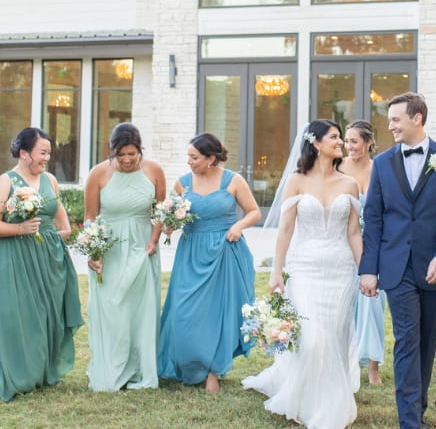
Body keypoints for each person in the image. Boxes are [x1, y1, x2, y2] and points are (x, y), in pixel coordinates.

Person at [359, 92, 436, 429]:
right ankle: (409, 421)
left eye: (396, 119)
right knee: (407, 339)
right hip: (397, 267)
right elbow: (374, 218)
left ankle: (416, 409)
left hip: (435, 266)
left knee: (427, 339)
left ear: (417, 118)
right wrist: (368, 269)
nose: (390, 125)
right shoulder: (382, 164)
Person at [243, 119, 363, 428]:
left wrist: (365, 272)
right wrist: (276, 273)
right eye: (335, 137)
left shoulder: (349, 183)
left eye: (341, 137)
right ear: (316, 143)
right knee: (311, 339)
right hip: (305, 268)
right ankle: (307, 399)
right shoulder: (296, 180)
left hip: (339, 271)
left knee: (334, 338)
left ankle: (328, 401)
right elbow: (285, 230)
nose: (341, 142)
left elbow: (353, 234)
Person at [0, 127, 82, 401]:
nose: (47, 157)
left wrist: (54, 237)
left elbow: (63, 223)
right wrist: (21, 229)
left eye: (49, 152)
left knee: (47, 314)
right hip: (12, 256)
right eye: (42, 152)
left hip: (47, 258)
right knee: (16, 316)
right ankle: (16, 375)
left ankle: (44, 372)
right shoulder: (6, 182)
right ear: (24, 154)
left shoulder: (50, 180)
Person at [159, 132, 261, 393]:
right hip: (192, 253)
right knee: (184, 311)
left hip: (225, 251)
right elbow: (171, 216)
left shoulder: (233, 180)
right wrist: (170, 225)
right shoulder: (182, 183)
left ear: (211, 158)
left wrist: (238, 226)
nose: (189, 162)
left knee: (218, 313)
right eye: (188, 157)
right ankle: (189, 364)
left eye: (194, 157)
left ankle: (213, 371)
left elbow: (254, 212)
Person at [84, 122, 166, 391]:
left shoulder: (154, 171)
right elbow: (90, 217)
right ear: (112, 152)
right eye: (122, 155)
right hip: (109, 249)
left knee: (141, 311)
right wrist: (94, 252)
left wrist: (154, 241)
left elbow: (160, 211)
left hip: (143, 246)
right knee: (112, 310)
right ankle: (112, 367)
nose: (128, 159)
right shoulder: (98, 174)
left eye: (133, 154)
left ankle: (142, 370)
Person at [339, 119, 387, 386]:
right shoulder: (338, 168)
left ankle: (373, 366)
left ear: (368, 143)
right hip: (343, 242)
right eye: (346, 141)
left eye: (354, 141)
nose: (349, 146)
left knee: (373, 303)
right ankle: (344, 359)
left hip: (374, 244)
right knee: (345, 302)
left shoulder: (380, 169)